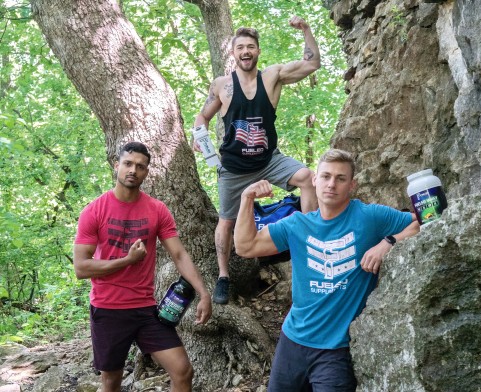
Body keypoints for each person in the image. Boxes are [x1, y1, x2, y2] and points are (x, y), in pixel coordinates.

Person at [234, 149, 420, 391]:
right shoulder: (297, 224)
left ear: (351, 185)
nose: (332, 184)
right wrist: (247, 199)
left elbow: (425, 220)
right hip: (292, 342)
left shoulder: (369, 217)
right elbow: (245, 246)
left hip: (336, 351)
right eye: (326, 176)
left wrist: (388, 242)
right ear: (314, 180)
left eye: (340, 178)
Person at [194, 15, 321, 304]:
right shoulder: (222, 86)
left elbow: (312, 64)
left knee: (307, 178)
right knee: (226, 221)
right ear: (233, 53)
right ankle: (223, 277)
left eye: (250, 46)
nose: (246, 52)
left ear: (258, 51)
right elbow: (203, 116)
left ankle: (310, 241)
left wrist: (306, 29)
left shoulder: (272, 77)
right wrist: (197, 135)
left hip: (268, 160)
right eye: (240, 48)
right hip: (234, 168)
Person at [73, 142, 212, 392]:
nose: (133, 170)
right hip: (108, 309)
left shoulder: (156, 210)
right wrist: (127, 261)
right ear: (117, 166)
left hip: (146, 309)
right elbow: (81, 268)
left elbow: (179, 254)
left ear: (146, 172)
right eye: (127, 163)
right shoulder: (94, 211)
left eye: (140, 166)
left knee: (183, 371)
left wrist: (203, 293)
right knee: (111, 381)